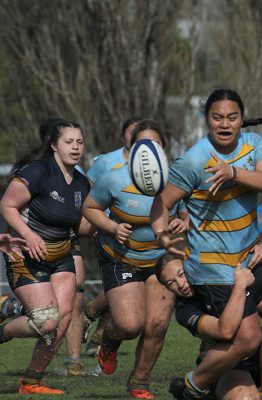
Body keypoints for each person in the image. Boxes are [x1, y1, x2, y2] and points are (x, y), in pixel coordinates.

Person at [150, 89, 262, 399]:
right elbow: (161, 204)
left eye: (232, 117)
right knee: (247, 339)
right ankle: (193, 385)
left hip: (252, 256)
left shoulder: (254, 145)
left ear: (242, 119)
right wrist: (160, 232)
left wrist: (234, 172)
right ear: (206, 120)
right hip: (214, 268)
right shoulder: (194, 160)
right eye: (217, 117)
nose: (225, 124)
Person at [82, 119, 187, 399]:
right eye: (142, 145)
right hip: (121, 258)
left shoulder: (176, 179)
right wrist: (112, 227)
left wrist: (182, 223)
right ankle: (108, 341)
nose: (148, 151)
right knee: (130, 325)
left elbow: (184, 212)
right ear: (131, 147)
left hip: (160, 259)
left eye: (154, 145)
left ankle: (139, 383)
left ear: (163, 149)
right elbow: (90, 208)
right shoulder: (114, 177)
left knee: (157, 324)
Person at [0, 118, 93, 394]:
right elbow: (7, 205)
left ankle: (32, 381)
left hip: (61, 256)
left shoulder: (82, 183)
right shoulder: (37, 172)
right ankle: (6, 317)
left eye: (79, 142)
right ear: (54, 145)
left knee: (62, 319)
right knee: (45, 321)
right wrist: (28, 235)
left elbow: (82, 226)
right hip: (25, 255)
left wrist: (107, 222)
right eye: (69, 142)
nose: (75, 147)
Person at [158, 250, 262, 400]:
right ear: (166, 288)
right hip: (230, 365)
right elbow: (224, 331)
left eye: (182, 274)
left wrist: (260, 249)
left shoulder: (217, 273)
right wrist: (240, 286)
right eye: (171, 283)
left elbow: (239, 245)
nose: (180, 284)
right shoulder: (184, 310)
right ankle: (203, 388)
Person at [84, 116, 142, 357]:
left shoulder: (154, 165)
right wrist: (102, 221)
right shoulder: (106, 162)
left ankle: (97, 331)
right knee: (118, 285)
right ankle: (92, 319)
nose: (137, 137)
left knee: (124, 290)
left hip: (144, 237)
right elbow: (86, 186)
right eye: (132, 132)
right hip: (110, 233)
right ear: (123, 136)